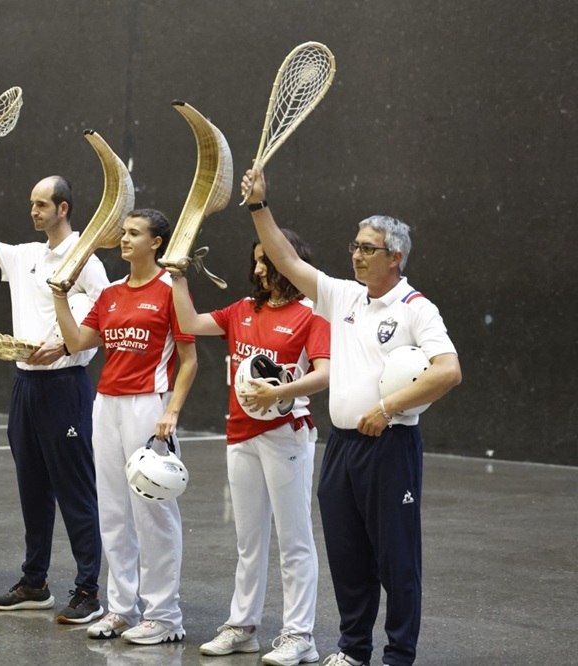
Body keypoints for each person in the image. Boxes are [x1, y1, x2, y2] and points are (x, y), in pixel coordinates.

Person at [242, 168, 462, 666]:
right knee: (347, 556)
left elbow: (448, 371)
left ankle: (398, 655)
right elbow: (285, 258)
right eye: (355, 246)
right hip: (341, 448)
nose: (357, 255)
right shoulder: (342, 296)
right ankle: (352, 650)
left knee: (396, 559)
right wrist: (259, 206)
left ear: (395, 257)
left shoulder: (415, 309)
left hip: (391, 447)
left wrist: (388, 408)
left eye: (368, 248)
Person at [0, 161, 107, 624]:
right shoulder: (24, 255)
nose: (32, 211)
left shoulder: (87, 260)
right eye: (32, 204)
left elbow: (107, 316)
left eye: (40, 204)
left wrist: (69, 342)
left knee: (75, 491)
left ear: (63, 208)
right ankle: (35, 583)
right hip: (26, 388)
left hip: (66, 386)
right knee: (32, 489)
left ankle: (88, 590)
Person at [171, 230, 330, 665]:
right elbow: (189, 324)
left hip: (287, 434)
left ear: (288, 263)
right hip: (240, 434)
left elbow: (324, 374)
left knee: (294, 539)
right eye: (256, 260)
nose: (258, 269)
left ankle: (300, 635)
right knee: (249, 539)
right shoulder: (242, 310)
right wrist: (179, 279)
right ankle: (243, 626)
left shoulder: (311, 314)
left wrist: (281, 392)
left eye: (266, 261)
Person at [54, 208, 198, 646]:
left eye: (135, 233)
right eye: (125, 232)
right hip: (106, 406)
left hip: (147, 407)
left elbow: (190, 360)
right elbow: (78, 342)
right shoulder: (112, 293)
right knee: (113, 512)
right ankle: (121, 609)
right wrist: (60, 297)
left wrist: (171, 410)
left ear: (157, 242)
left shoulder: (171, 289)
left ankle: (164, 615)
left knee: (152, 513)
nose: (126, 239)